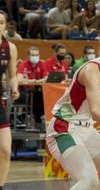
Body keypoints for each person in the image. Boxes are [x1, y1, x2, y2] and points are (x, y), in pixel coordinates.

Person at [46, 20, 100, 190]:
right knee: (89, 180)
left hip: (87, 130)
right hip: (64, 129)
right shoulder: (92, 70)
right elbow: (95, 110)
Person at [0, 12, 19, 190]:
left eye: (2, 22)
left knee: (5, 149)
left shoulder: (10, 47)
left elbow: (12, 76)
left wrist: (15, 87)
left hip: (0, 102)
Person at [17, 46, 47, 124]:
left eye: (37, 55)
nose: (35, 57)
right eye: (33, 55)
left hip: (37, 90)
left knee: (42, 96)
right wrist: (30, 81)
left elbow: (46, 77)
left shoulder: (41, 63)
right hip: (24, 90)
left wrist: (39, 80)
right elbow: (19, 79)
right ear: (28, 56)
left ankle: (39, 118)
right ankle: (26, 117)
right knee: (34, 97)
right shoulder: (23, 64)